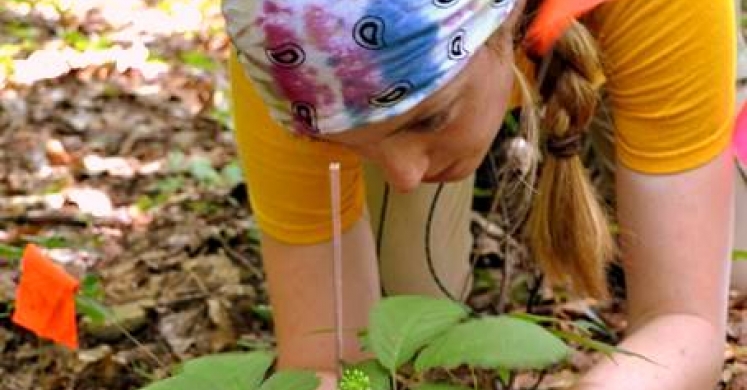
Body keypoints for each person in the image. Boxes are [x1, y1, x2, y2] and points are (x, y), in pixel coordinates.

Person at [221, 0, 736, 389]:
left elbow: (686, 321)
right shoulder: (291, 60)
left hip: (616, 32)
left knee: (736, 266)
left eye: (428, 119)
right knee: (410, 319)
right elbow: (326, 362)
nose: (405, 175)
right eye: (341, 138)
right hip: (473, 72)